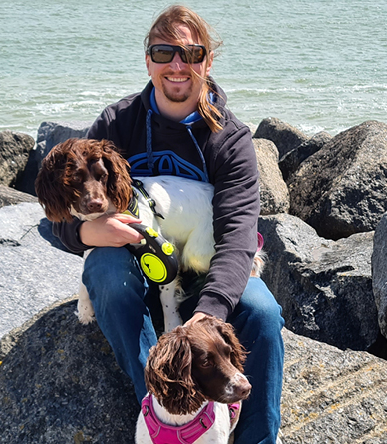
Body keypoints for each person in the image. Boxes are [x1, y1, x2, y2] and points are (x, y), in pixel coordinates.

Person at [52, 5, 284, 443]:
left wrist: (207, 317)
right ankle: (162, 413)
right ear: (148, 60)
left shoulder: (231, 139)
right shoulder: (116, 125)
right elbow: (59, 212)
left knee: (264, 313)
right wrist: (86, 233)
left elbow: (238, 237)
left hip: (206, 267)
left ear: (207, 62)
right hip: (140, 268)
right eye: (164, 52)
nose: (177, 65)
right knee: (104, 271)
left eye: (191, 53)